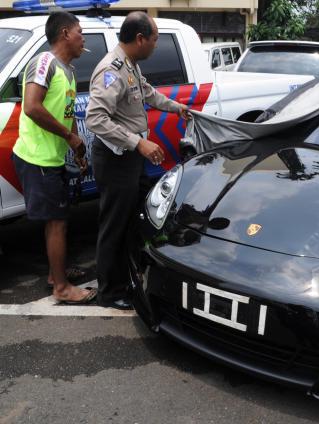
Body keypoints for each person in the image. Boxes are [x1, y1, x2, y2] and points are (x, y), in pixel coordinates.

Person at [86, 11, 189, 310]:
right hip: (115, 159)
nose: (156, 45)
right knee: (113, 225)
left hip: (128, 158)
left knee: (131, 219)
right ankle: (109, 291)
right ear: (140, 39)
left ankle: (125, 279)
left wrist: (176, 108)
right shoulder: (111, 69)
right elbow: (95, 118)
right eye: (154, 40)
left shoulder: (129, 65)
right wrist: (138, 142)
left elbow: (147, 93)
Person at [11, 11, 95, 304]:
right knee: (57, 221)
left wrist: (76, 147)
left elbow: (67, 112)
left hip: (54, 158)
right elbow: (32, 107)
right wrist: (68, 136)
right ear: (65, 34)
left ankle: (54, 274)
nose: (83, 38)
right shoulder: (44, 62)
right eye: (80, 32)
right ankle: (60, 287)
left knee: (58, 220)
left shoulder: (68, 70)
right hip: (38, 159)